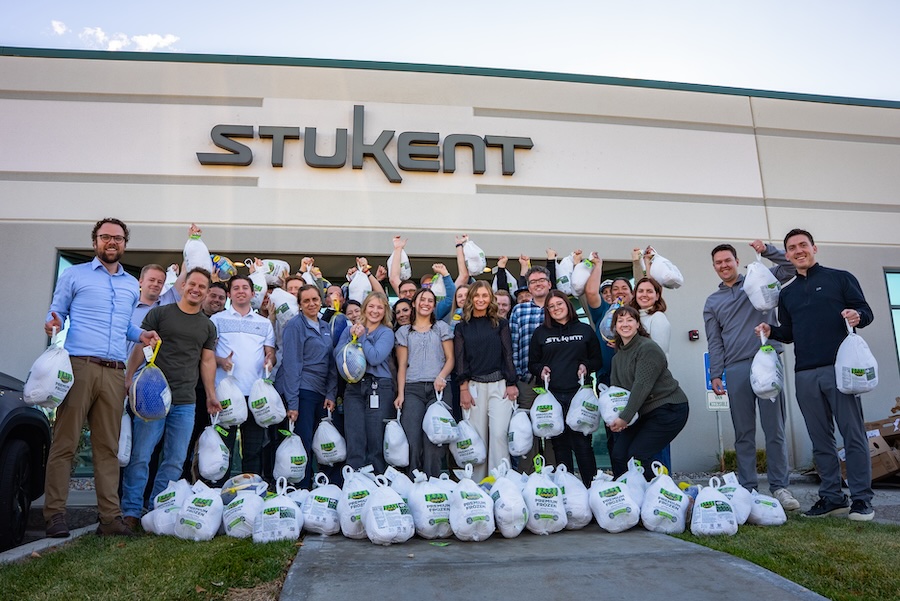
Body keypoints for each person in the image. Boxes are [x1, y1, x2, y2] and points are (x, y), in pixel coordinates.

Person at [42, 218, 159, 537]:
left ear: (124, 244)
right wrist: (52, 323)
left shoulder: (129, 284)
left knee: (107, 447)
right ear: (95, 241)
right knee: (65, 443)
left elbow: (124, 327)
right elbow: (57, 312)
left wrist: (141, 334)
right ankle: (55, 515)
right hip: (79, 366)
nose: (112, 242)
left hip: (115, 372)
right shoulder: (74, 275)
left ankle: (110, 519)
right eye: (106, 237)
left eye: (118, 238)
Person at [756, 228, 875, 521]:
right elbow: (791, 333)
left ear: (814, 248)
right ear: (787, 255)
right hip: (805, 374)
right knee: (820, 439)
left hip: (840, 370)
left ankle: (861, 500)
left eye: (803, 245)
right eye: (792, 248)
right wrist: (773, 331)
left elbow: (865, 311)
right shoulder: (787, 293)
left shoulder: (840, 278)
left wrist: (857, 316)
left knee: (853, 435)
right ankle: (833, 497)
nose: (798, 251)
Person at [704, 240, 799, 510]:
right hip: (735, 368)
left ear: (736, 261)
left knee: (775, 429)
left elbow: (790, 266)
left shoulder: (758, 280)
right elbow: (714, 341)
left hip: (767, 360)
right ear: (714, 267)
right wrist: (716, 374)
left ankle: (780, 488)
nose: (724, 266)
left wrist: (767, 249)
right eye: (718, 263)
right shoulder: (712, 301)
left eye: (728, 261)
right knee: (743, 432)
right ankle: (748, 489)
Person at [121, 268, 218, 531]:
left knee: (175, 459)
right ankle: (130, 511)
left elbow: (207, 361)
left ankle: (157, 509)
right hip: (152, 396)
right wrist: (129, 378)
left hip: (186, 401)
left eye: (202, 287)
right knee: (141, 455)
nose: (196, 289)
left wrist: (211, 395)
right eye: (192, 284)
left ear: (207, 292)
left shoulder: (207, 326)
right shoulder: (161, 314)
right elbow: (140, 347)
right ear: (183, 285)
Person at [528, 290, 602, 485]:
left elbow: (598, 360)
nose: (556, 309)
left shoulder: (584, 330)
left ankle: (590, 486)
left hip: (579, 395)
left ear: (568, 305)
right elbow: (532, 363)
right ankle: (568, 489)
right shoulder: (541, 333)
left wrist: (587, 365)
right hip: (553, 396)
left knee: (582, 443)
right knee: (559, 444)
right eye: (551, 307)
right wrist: (540, 369)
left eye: (559, 304)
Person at [608, 306, 689, 478]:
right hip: (642, 412)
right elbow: (616, 392)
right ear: (614, 327)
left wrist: (624, 418)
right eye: (620, 321)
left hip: (668, 408)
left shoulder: (648, 348)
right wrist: (612, 416)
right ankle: (627, 496)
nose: (625, 324)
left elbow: (642, 385)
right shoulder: (617, 357)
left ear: (638, 324)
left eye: (630, 320)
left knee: (638, 455)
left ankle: (659, 496)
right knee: (618, 455)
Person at [209, 275, 276, 481]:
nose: (240, 291)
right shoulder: (217, 320)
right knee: (222, 450)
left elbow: (270, 352)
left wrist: (269, 361)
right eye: (236, 288)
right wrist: (221, 361)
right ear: (229, 294)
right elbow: (207, 354)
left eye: (245, 288)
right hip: (225, 394)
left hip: (254, 396)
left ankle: (250, 495)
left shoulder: (264, 323)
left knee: (252, 450)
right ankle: (219, 494)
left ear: (252, 293)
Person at [275, 284, 338, 489]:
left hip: (321, 393)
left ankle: (320, 488)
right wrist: (292, 403)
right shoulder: (295, 325)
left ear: (321, 301)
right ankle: (300, 489)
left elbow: (331, 362)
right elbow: (292, 364)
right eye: (306, 301)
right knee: (302, 444)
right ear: (300, 305)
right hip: (302, 391)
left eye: (315, 299)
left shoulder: (324, 326)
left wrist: (331, 392)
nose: (311, 304)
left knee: (320, 444)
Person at [454, 282, 518, 481]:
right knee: (477, 439)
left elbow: (508, 354)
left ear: (490, 298)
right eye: (476, 295)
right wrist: (463, 387)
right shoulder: (461, 327)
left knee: (499, 434)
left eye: (485, 295)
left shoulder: (501, 324)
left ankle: (500, 483)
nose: (480, 299)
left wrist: (511, 382)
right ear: (471, 298)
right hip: (473, 387)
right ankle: (477, 485)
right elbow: (460, 359)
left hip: (500, 385)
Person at [394, 288, 454, 477]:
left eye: (430, 301)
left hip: (439, 389)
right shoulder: (404, 332)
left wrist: (441, 376)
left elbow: (450, 358)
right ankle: (413, 480)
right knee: (412, 437)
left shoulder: (442, 328)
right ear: (414, 303)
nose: (426, 303)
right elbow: (402, 365)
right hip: (413, 388)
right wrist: (401, 394)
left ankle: (433, 482)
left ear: (434, 306)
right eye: (422, 300)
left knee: (434, 439)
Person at [335, 292, 395, 473]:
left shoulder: (386, 332)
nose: (375, 311)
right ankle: (354, 481)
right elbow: (338, 355)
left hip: (378, 386)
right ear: (364, 308)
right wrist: (350, 337)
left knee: (375, 435)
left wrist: (362, 338)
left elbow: (375, 357)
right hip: (353, 386)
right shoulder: (349, 329)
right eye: (371, 306)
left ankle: (377, 480)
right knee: (354, 434)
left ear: (385, 311)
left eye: (380, 307)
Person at [509, 264, 555, 469]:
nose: (537, 285)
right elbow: (513, 345)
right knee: (526, 430)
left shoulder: (558, 307)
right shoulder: (519, 310)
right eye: (532, 282)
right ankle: (529, 478)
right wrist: (517, 376)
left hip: (556, 380)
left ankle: (555, 472)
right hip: (527, 378)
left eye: (541, 280)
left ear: (549, 283)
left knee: (553, 426)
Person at [181, 280, 228, 480]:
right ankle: (182, 481)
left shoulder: (225, 323)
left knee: (209, 443)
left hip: (215, 392)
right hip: (192, 389)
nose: (216, 300)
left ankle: (203, 484)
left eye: (221, 298)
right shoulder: (194, 319)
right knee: (186, 441)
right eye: (213, 296)